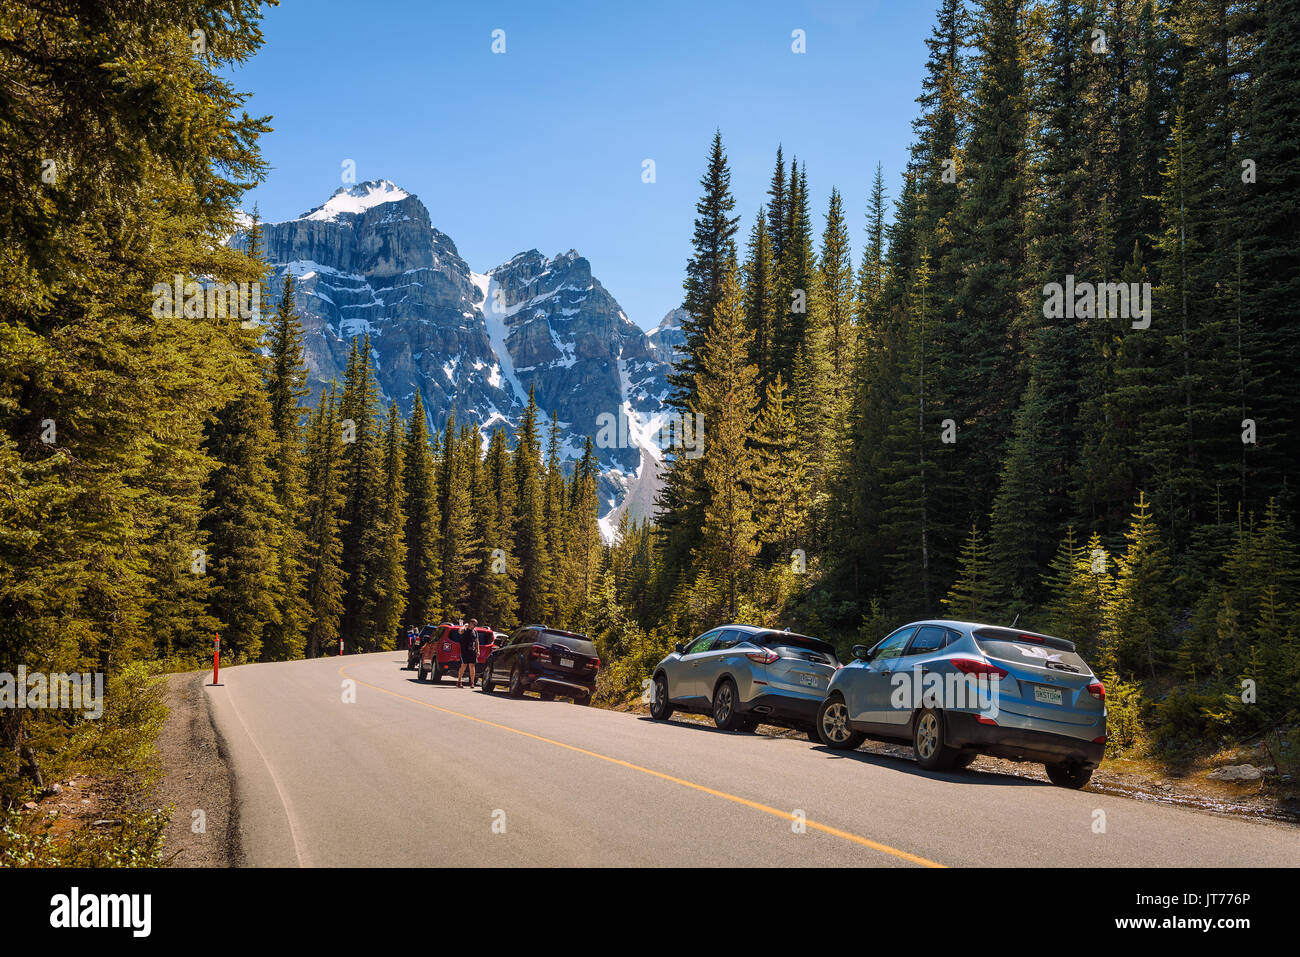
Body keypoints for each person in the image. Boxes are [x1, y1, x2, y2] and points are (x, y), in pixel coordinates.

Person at [456, 618, 480, 688]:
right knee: (463, 665)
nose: (475, 625)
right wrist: (464, 625)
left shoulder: (475, 631)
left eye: (476, 624)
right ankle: (459, 681)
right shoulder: (465, 629)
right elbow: (459, 631)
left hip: (472, 650)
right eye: (474, 624)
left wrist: (478, 650)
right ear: (470, 623)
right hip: (464, 650)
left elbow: (477, 641)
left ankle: (472, 683)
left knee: (472, 666)